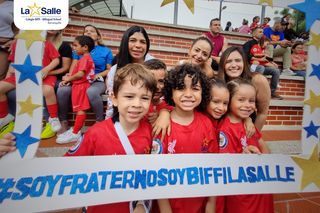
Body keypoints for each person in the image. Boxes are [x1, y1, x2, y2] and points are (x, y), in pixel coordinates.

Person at [65, 63, 157, 213]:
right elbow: (63, 170)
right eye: (129, 96)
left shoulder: (151, 131)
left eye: (144, 98)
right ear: (114, 98)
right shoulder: (95, 133)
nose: (137, 104)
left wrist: (141, 204)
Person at [156, 64, 218, 213]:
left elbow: (215, 167)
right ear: (171, 92)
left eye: (195, 88)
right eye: (181, 88)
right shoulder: (161, 126)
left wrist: (211, 203)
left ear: (203, 92)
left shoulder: (207, 124)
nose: (188, 94)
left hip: (199, 204)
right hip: (168, 205)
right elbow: (156, 175)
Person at [1, 30, 73, 139]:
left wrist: (46, 69)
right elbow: (13, 62)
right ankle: (5, 118)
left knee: (48, 91)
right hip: (21, 75)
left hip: (44, 75)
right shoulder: (17, 44)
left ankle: (53, 119)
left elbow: (56, 60)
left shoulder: (45, 43)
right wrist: (7, 77)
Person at [215, 78, 273, 213]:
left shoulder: (249, 124)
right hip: (241, 194)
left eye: (251, 100)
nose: (248, 105)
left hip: (259, 188)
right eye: (241, 100)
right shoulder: (225, 128)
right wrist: (243, 156)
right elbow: (225, 164)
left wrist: (261, 156)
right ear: (229, 101)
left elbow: (265, 150)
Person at [57, 24, 113, 134]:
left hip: (96, 80)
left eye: (91, 31)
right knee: (63, 90)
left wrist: (97, 75)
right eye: (86, 31)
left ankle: (99, 121)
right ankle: (63, 121)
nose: (88, 32)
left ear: (97, 36)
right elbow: (74, 65)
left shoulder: (106, 51)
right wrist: (69, 76)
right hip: (80, 80)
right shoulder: (79, 50)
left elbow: (109, 70)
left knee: (91, 92)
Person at [218, 46, 271, 131]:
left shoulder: (258, 80)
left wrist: (253, 138)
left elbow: (262, 113)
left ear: (244, 63)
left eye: (238, 60)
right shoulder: (219, 83)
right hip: (224, 130)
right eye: (228, 61)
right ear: (223, 65)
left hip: (246, 130)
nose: (234, 65)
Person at [106, 25, 153, 118]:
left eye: (142, 42)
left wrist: (164, 113)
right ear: (125, 42)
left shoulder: (154, 67)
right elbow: (111, 101)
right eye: (132, 40)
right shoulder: (114, 70)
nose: (138, 45)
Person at [56, 35, 95, 144]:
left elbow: (80, 74)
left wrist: (69, 78)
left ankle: (75, 133)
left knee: (80, 110)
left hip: (81, 87)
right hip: (79, 86)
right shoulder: (85, 58)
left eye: (75, 45)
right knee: (79, 109)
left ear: (85, 47)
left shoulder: (85, 58)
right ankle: (74, 131)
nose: (73, 48)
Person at [243, 27, 282, 100]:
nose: (262, 33)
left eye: (262, 32)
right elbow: (244, 55)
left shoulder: (263, 46)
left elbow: (265, 57)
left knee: (276, 71)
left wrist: (271, 62)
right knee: (261, 67)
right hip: (251, 66)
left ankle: (272, 92)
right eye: (260, 32)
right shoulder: (249, 44)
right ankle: (256, 92)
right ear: (253, 34)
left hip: (262, 64)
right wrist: (256, 59)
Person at [0, 0, 18, 80]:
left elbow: (19, 29)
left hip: (4, 45)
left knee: (1, 75)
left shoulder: (14, 5)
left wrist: (15, 39)